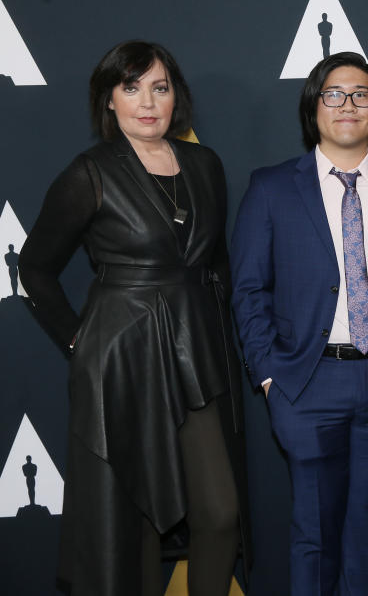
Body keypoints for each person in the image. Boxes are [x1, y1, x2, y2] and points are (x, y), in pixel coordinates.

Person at [19, 40, 248, 596]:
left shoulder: (205, 165)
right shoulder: (90, 173)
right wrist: (82, 344)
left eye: (160, 87)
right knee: (140, 520)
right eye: (131, 87)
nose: (147, 102)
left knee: (218, 512)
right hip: (122, 362)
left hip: (198, 356)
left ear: (176, 98)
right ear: (109, 101)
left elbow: (217, 266)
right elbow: (35, 269)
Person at [230, 51, 368, 596]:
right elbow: (249, 289)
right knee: (314, 533)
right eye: (334, 94)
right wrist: (271, 376)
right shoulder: (272, 188)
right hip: (306, 382)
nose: (348, 105)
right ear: (314, 107)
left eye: (361, 94)